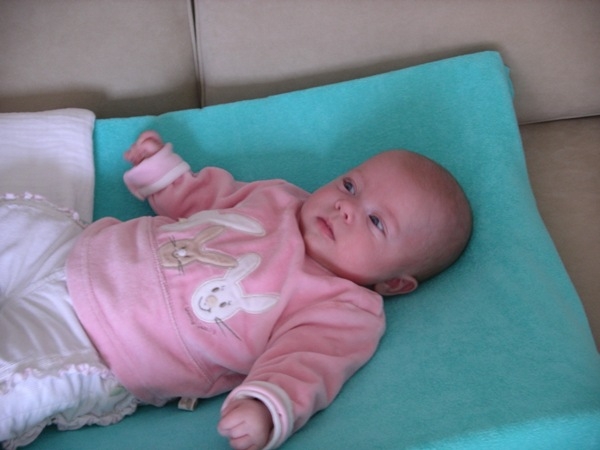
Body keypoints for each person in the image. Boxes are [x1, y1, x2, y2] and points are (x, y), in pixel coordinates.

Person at [0, 131, 472, 450]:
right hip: (81, 249)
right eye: (350, 185)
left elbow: (307, 364)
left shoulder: (344, 308)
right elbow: (204, 199)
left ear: (393, 283)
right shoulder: (280, 197)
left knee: (14, 383)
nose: (345, 207)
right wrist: (161, 172)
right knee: (18, 226)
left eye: (375, 221)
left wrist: (265, 408)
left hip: (100, 345)